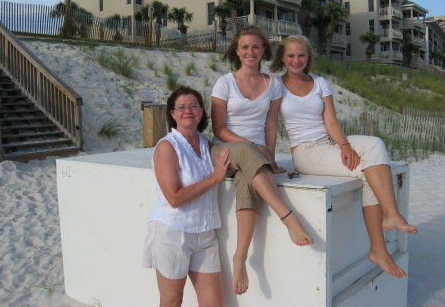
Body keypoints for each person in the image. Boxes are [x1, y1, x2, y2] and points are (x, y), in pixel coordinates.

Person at [270, 35, 418, 279]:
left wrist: (345, 145)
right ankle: (379, 248)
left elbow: (330, 120)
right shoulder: (276, 86)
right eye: (291, 55)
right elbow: (271, 126)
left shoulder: (320, 83)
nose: (297, 60)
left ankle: (391, 215)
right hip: (306, 152)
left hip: (328, 143)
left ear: (309, 57)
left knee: (374, 144)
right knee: (366, 171)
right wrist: (270, 158)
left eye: (302, 55)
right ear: (283, 58)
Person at [211, 26, 314, 296]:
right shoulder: (225, 82)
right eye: (245, 47)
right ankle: (288, 217)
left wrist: (269, 153)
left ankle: (241, 257)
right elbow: (219, 128)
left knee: (249, 179)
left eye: (256, 47)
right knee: (248, 154)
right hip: (224, 149)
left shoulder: (274, 84)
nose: (250, 52)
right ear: (237, 50)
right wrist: (251, 145)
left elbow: (270, 125)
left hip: (255, 154)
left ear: (264, 51)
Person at [143, 86, 231, 307]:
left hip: (205, 233)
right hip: (174, 233)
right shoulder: (167, 146)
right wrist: (214, 178)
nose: (188, 111)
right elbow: (174, 197)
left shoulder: (206, 143)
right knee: (172, 301)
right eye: (181, 107)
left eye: (193, 106)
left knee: (214, 303)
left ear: (202, 111)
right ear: (172, 114)